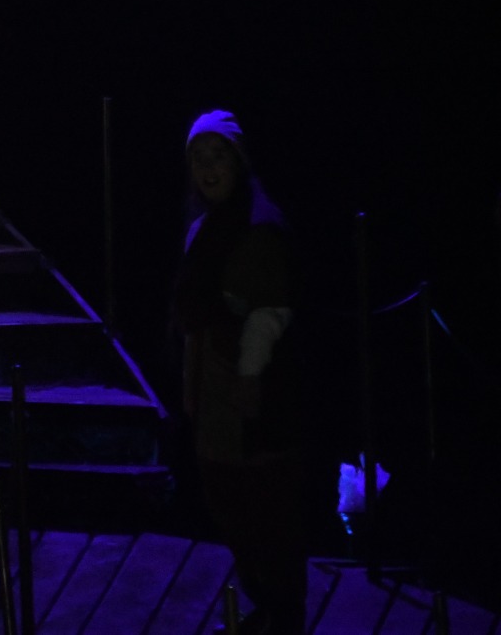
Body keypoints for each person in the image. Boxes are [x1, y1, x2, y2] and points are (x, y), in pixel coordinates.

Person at [175, 109, 308, 633]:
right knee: (227, 500)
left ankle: (283, 616)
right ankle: (266, 606)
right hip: (214, 381)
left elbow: (267, 313)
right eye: (198, 158)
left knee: (265, 507)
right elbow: (196, 311)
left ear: (239, 160)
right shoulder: (205, 227)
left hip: (254, 385)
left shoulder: (257, 225)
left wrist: (249, 383)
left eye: (218, 156)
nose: (208, 168)